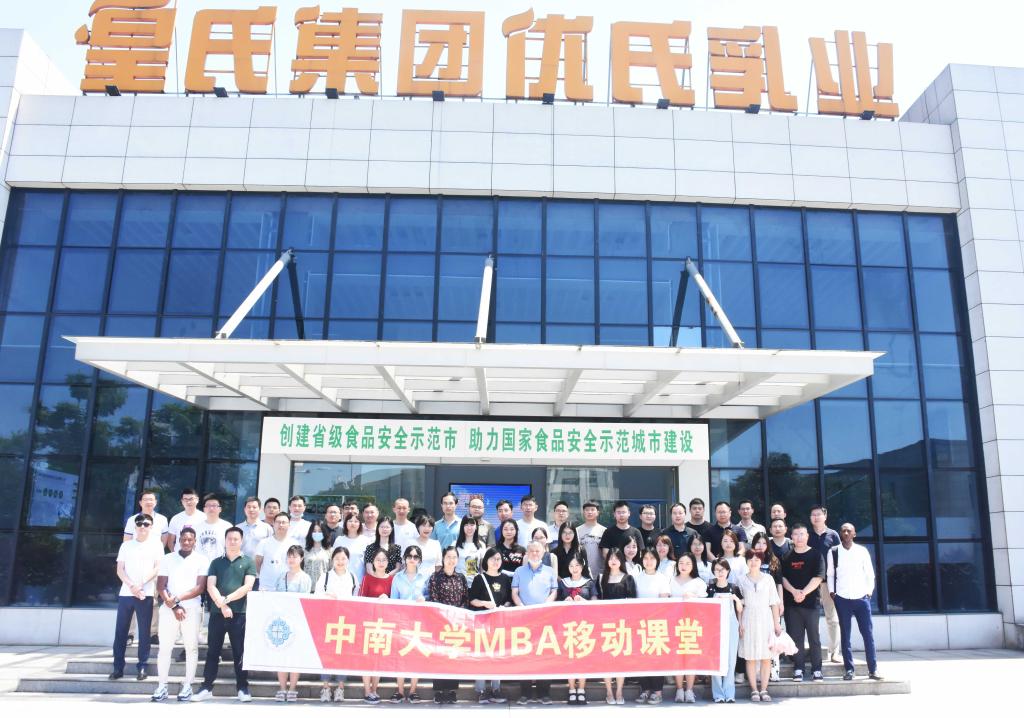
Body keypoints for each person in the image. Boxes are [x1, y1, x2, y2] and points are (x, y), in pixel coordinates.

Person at [192, 527, 256, 702]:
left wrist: (225, 600)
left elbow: (247, 586)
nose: (232, 542)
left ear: (241, 541)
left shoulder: (248, 562)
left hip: (239, 613)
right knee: (213, 651)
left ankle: (242, 688)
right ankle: (206, 687)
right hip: (217, 614)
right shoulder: (216, 562)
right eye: (229, 539)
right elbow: (210, 585)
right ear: (225, 540)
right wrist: (221, 605)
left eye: (236, 539)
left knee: (239, 652)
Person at [152, 526, 208, 702]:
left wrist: (178, 600)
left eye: (190, 539)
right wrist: (175, 606)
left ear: (195, 542)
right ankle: (162, 686)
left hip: (191, 609)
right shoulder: (168, 558)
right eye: (183, 539)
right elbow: (161, 586)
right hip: (169, 610)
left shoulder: (202, 560)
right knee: (165, 648)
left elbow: (200, 587)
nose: (186, 542)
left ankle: (188, 685)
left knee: (191, 648)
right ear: (178, 541)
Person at [827, 523, 882, 681]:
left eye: (849, 531)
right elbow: (830, 574)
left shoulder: (862, 551)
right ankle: (849, 670)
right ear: (840, 533)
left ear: (854, 534)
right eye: (843, 530)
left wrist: (868, 592)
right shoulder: (834, 551)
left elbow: (869, 574)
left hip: (861, 598)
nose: (845, 533)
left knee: (868, 634)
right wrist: (832, 592)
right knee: (845, 636)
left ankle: (873, 669)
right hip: (842, 598)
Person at [111, 512, 163, 681]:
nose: (142, 526)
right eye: (139, 523)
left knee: (144, 632)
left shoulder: (156, 545)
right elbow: (120, 570)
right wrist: (132, 586)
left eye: (146, 524)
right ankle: (118, 668)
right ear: (135, 526)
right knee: (121, 632)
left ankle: (142, 667)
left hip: (145, 593)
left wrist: (140, 584)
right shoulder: (126, 546)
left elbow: (157, 568)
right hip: (126, 593)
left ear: (151, 527)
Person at [512, 540, 558, 705]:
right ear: (527, 553)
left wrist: (544, 607)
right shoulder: (519, 571)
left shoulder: (550, 571)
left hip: (544, 619)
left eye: (537, 551)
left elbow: (554, 591)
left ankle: (544, 693)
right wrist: (522, 608)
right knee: (525, 656)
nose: (534, 554)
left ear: (543, 552)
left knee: (544, 656)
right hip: (524, 619)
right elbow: (515, 593)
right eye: (531, 551)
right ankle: (525, 693)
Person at [781, 523, 826, 682]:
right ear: (791, 537)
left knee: (814, 638)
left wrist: (803, 593)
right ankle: (798, 668)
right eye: (796, 534)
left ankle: (817, 669)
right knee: (796, 638)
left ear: (807, 536)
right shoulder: (786, 556)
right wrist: (794, 592)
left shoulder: (816, 555)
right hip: (792, 605)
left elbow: (818, 577)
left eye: (802, 534)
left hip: (811, 604)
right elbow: (782, 578)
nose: (799, 537)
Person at [123, 490, 167, 649]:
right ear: (140, 502)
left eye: (152, 499)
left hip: (153, 567)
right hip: (134, 567)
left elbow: (164, 541)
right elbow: (126, 541)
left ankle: (153, 633)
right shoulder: (132, 520)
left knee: (153, 601)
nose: (149, 502)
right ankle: (129, 633)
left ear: (155, 502)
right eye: (146, 499)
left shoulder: (162, 520)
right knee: (133, 600)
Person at [737, 552, 783, 702]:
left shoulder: (768, 579)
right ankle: (754, 690)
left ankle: (764, 689)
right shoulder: (741, 580)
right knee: (750, 656)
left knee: (766, 656)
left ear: (761, 562)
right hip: (748, 618)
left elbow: (774, 603)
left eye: (757, 559)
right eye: (750, 559)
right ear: (746, 562)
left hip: (766, 618)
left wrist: (776, 623)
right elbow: (739, 606)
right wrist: (740, 623)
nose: (753, 562)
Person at [315, 547, 358, 703]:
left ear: (348, 560)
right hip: (327, 621)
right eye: (337, 558)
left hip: (346, 622)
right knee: (326, 654)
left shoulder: (352, 577)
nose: (340, 561)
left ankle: (340, 688)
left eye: (343, 558)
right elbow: (316, 597)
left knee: (343, 656)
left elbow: (356, 599)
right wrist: (326, 596)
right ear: (332, 560)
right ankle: (325, 688)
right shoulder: (325, 576)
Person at [469, 547, 512, 704]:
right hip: (482, 623)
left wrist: (504, 607)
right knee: (482, 656)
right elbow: (472, 600)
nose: (496, 562)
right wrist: (485, 603)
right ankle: (481, 690)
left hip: (499, 623)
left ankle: (496, 689)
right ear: (486, 560)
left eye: (498, 559)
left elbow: (509, 599)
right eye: (493, 558)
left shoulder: (505, 579)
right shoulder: (479, 579)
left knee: (497, 656)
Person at [426, 546, 468, 704]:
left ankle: (451, 691)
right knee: (439, 657)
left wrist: (458, 615)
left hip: (456, 625)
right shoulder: (435, 577)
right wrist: (444, 616)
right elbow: (433, 598)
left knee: (453, 657)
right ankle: (438, 691)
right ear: (443, 559)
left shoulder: (461, 578)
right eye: (448, 557)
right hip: (439, 623)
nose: (451, 560)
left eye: (454, 557)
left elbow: (465, 599)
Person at [273, 546, 312, 701]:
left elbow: (305, 601)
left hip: (298, 622)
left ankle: (292, 688)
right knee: (281, 656)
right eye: (289, 556)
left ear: (301, 558)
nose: (291, 559)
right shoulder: (281, 576)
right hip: (281, 622)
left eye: (295, 556)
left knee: (295, 656)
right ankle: (282, 688)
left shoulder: (305, 578)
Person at [390, 545, 428, 703]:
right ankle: (400, 690)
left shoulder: (425, 577)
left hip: (418, 622)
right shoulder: (397, 578)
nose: (412, 559)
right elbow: (393, 600)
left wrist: (425, 599)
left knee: (416, 655)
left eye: (416, 557)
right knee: (400, 655)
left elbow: (429, 596)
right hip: (402, 621)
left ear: (420, 560)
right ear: (405, 558)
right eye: (409, 556)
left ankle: (413, 690)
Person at [558, 552, 596, 704]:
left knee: (583, 657)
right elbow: (555, 602)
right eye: (571, 566)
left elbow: (595, 601)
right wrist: (564, 601)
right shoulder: (563, 583)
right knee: (569, 657)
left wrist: (584, 601)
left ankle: (581, 688)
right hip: (567, 625)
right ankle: (571, 688)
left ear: (583, 566)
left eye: (577, 565)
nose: (574, 568)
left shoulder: (589, 582)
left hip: (584, 625)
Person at [598, 548, 636, 704]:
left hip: (622, 625)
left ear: (621, 560)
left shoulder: (628, 578)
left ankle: (619, 691)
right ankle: (609, 692)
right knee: (606, 659)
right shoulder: (601, 578)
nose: (613, 561)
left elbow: (632, 602)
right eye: (610, 558)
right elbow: (597, 600)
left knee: (621, 659)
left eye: (616, 558)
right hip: (605, 624)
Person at [634, 548, 670, 704]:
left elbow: (664, 602)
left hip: (657, 623)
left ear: (657, 560)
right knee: (642, 657)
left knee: (656, 658)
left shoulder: (662, 578)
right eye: (646, 558)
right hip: (640, 623)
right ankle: (645, 689)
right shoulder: (637, 578)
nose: (648, 561)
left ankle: (657, 691)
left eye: (652, 558)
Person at [358, 548, 394, 703]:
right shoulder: (367, 578)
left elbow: (396, 601)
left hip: (385, 624)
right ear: (372, 562)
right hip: (368, 623)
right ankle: (367, 690)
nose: (381, 563)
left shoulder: (392, 580)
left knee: (379, 658)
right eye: (378, 560)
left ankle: (374, 689)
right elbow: (361, 600)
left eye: (384, 560)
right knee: (367, 658)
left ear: (388, 562)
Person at [669, 552, 706, 703]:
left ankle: (689, 689)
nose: (684, 566)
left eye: (688, 563)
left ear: (693, 565)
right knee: (677, 657)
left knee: (691, 656)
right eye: (681, 563)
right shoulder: (670, 580)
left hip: (692, 624)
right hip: (674, 624)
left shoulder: (698, 582)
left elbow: (706, 603)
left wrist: (694, 597)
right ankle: (679, 689)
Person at [808, 505, 842, 662]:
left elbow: (839, 559)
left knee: (832, 618)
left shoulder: (833, 535)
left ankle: (834, 652)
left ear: (825, 517)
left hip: (828, 583)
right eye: (813, 515)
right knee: (810, 619)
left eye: (818, 514)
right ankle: (813, 651)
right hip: (810, 583)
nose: (816, 517)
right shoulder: (807, 535)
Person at [707, 559, 743, 704]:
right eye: (717, 569)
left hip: (731, 626)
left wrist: (736, 599)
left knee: (731, 659)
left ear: (728, 571)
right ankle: (718, 694)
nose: (720, 572)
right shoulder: (710, 588)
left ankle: (729, 693)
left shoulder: (733, 588)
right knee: (715, 659)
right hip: (713, 627)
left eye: (723, 569)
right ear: (713, 571)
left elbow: (740, 609)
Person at [255, 513, 299, 590]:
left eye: (283, 522)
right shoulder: (264, 543)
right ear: (273, 524)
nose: (281, 525)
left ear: (289, 525)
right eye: (278, 522)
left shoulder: (295, 544)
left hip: (288, 587)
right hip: (266, 587)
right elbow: (257, 563)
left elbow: (297, 565)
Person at [333, 512, 372, 586]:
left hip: (358, 581)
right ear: (345, 523)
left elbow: (369, 563)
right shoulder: (339, 540)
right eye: (350, 521)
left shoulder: (366, 541)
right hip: (339, 581)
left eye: (356, 521)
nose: (353, 523)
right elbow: (333, 561)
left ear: (360, 524)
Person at [193, 493, 232, 562]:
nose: (211, 508)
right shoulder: (196, 527)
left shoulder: (227, 527)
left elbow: (232, 548)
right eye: (208, 505)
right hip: (200, 566)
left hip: (220, 565)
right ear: (204, 509)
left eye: (214, 505)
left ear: (220, 509)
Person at [576, 500, 606, 578]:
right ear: (583, 512)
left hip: (601, 574)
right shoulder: (577, 531)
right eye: (587, 510)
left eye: (592, 510)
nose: (589, 512)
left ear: (598, 512)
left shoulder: (604, 531)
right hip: (582, 574)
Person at [454, 515, 485, 584]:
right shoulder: (455, 544)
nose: (469, 528)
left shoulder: (481, 545)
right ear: (462, 527)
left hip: (475, 584)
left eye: (472, 525)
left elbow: (482, 569)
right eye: (466, 525)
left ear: (476, 527)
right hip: (458, 584)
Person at [303, 519, 332, 589]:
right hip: (307, 588)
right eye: (314, 531)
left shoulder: (330, 551)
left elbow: (332, 570)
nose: (317, 533)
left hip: (323, 588)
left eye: (320, 531)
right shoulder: (305, 551)